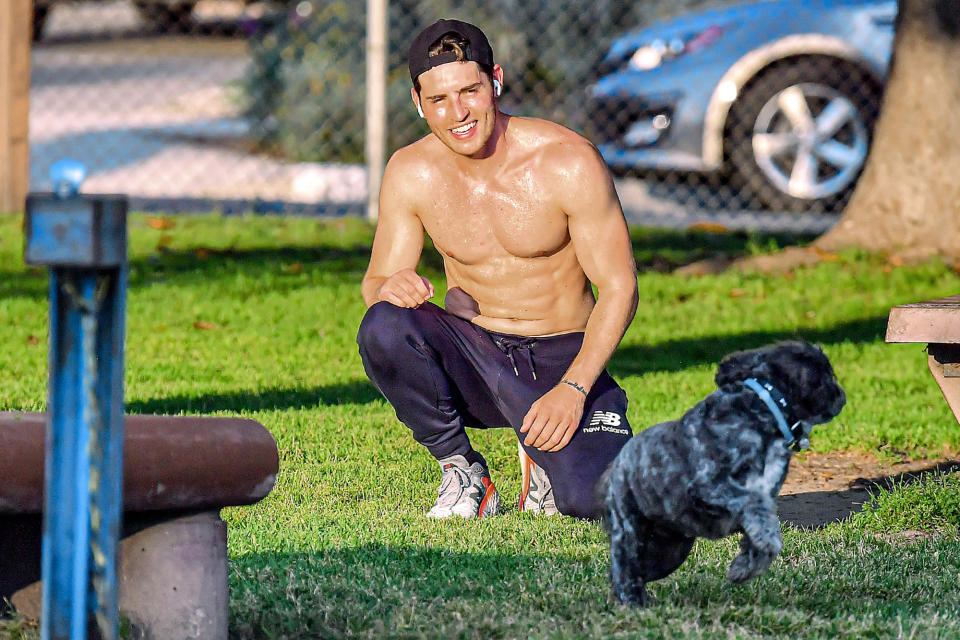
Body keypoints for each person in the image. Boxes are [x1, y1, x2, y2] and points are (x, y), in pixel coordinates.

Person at [357, 18, 638, 520]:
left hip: (561, 360)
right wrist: (389, 285)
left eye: (470, 91)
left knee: (594, 499)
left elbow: (620, 287)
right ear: (418, 103)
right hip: (477, 355)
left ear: (496, 81)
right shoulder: (410, 171)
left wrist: (573, 391)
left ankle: (548, 461)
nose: (457, 112)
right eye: (438, 100)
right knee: (384, 325)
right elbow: (375, 283)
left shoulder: (567, 161)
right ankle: (463, 471)